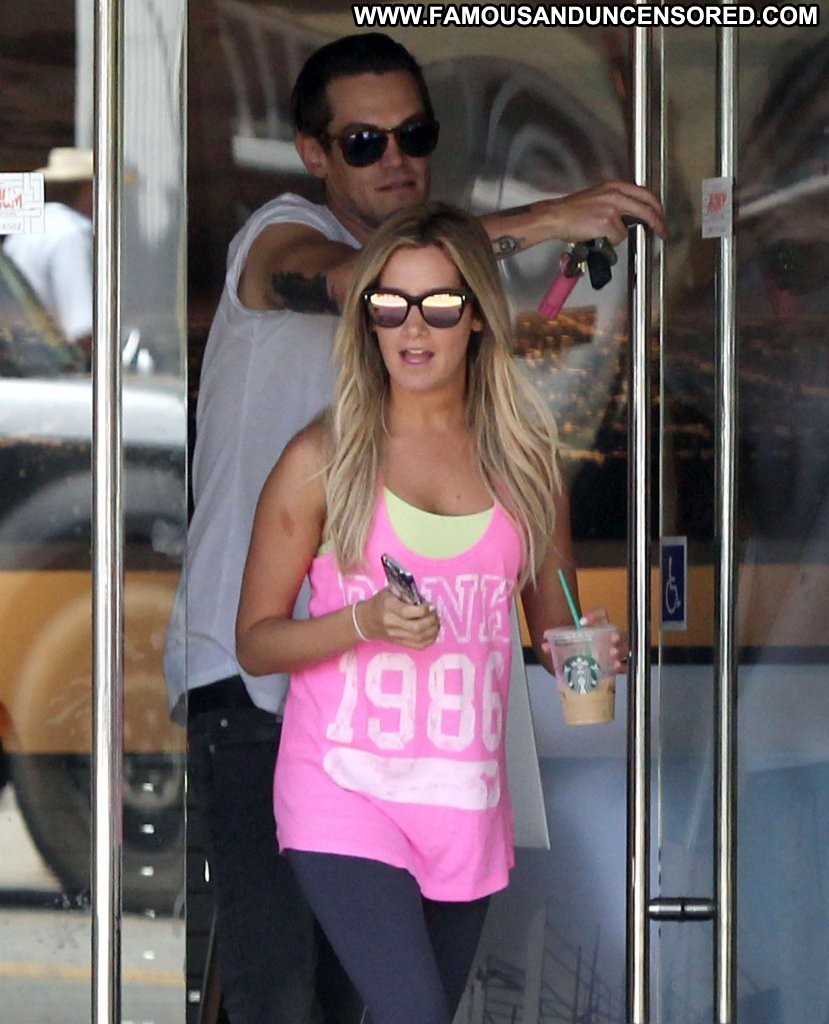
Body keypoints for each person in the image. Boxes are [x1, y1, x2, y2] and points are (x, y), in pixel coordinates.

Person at [165, 30, 663, 1024]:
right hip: (247, 674)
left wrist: (581, 655)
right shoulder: (278, 239)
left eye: (414, 135)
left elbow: (552, 611)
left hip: (422, 745)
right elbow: (360, 275)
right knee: (278, 986)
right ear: (313, 152)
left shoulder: (501, 446)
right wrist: (546, 217)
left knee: (347, 996)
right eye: (364, 141)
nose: (394, 158)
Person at [235, 201, 626, 1024]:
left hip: (465, 801)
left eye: (440, 304)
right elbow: (256, 642)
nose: (413, 327)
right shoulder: (324, 457)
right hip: (344, 790)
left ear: (476, 316)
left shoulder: (523, 460)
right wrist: (363, 622)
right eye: (390, 304)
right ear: (368, 319)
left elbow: (551, 622)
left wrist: (585, 652)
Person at [3, 147, 94, 355]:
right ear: (87, 189)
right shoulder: (72, 233)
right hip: (54, 363)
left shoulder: (25, 231)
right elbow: (81, 330)